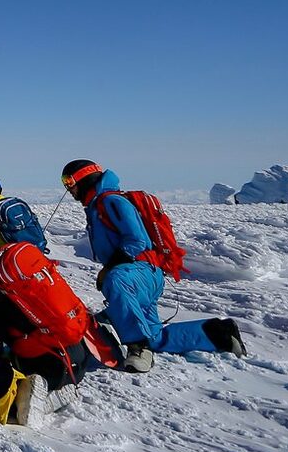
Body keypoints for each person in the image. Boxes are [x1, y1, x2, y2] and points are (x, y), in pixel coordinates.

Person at [62, 159, 247, 372]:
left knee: (116, 282)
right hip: (138, 274)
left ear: (86, 178)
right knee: (154, 336)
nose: (68, 188)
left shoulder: (112, 201)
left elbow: (138, 240)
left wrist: (108, 269)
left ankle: (138, 348)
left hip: (138, 273)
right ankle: (218, 334)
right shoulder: (98, 205)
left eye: (69, 181)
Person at [0, 238, 119, 425]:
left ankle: (32, 396)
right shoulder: (4, 262)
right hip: (76, 351)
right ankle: (58, 389)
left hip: (46, 363)